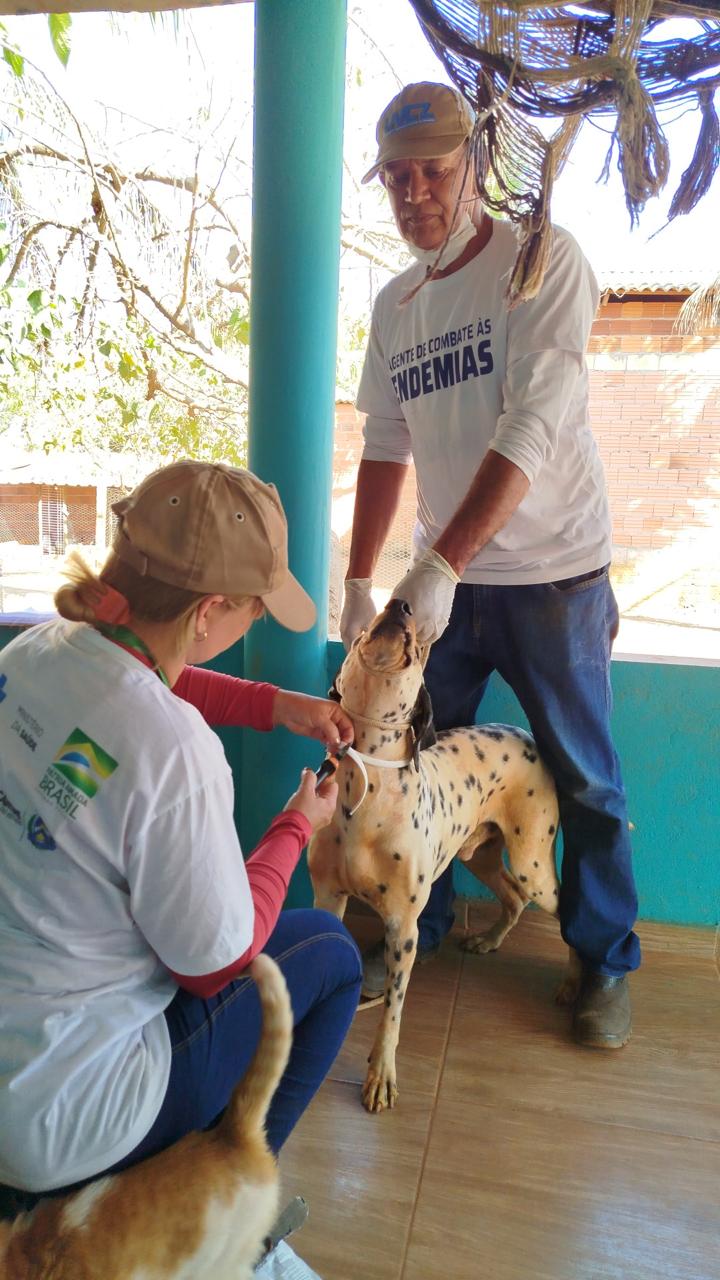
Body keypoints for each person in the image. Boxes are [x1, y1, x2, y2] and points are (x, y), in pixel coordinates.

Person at [340, 81, 639, 1050]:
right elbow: (385, 444)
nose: (415, 193)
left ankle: (604, 957)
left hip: (554, 574)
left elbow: (534, 428)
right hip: (446, 581)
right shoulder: (397, 305)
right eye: (397, 178)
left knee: (585, 774)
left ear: (476, 165)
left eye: (433, 171)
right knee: (398, 748)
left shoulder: (541, 264)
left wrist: (438, 563)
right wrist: (358, 583)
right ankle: (409, 921)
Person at [0, 460, 362, 1233]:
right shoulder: (176, 753)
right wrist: (297, 826)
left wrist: (275, 707)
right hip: (61, 1119)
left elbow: (135, 680)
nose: (254, 625)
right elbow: (217, 966)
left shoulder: (33, 654)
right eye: (253, 612)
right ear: (209, 612)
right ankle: (230, 1214)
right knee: (330, 953)